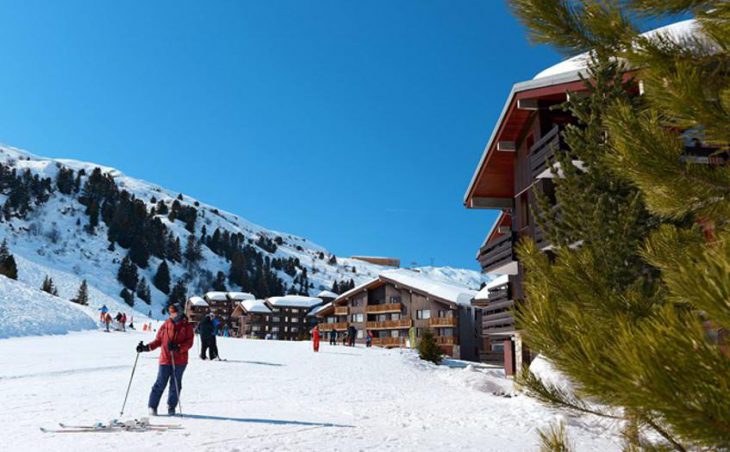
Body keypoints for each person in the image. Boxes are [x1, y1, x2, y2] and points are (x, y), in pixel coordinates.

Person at [136, 303, 194, 416]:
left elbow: (189, 343)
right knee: (160, 383)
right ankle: (152, 406)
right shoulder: (166, 325)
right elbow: (158, 341)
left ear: (180, 312)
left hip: (180, 361)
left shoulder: (187, 326)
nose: (171, 314)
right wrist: (145, 348)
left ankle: (171, 406)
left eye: (173, 312)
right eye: (170, 312)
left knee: (175, 384)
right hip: (165, 359)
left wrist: (178, 347)